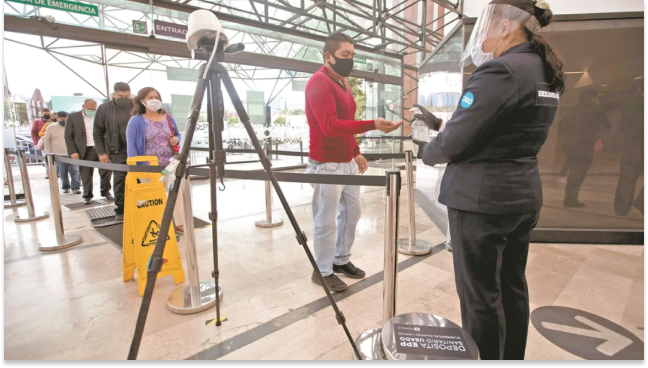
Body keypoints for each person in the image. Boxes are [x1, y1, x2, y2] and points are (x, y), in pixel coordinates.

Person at [414, 0, 565, 360]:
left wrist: (426, 149)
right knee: (512, 288)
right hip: (520, 195)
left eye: (490, 20)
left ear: (505, 26)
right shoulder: (543, 69)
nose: (484, 29)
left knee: (480, 296)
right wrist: (445, 126)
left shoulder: (501, 71)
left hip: (483, 202)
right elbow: (500, 129)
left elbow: (455, 142)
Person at [305, 32, 403, 293]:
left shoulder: (343, 83)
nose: (350, 60)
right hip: (326, 163)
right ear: (329, 56)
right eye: (344, 55)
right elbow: (329, 126)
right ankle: (323, 270)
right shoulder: (318, 83)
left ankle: (341, 259)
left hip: (346, 160)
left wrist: (356, 150)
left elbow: (346, 124)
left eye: (352, 55)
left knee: (352, 213)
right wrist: (372, 124)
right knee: (325, 220)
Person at [126, 87, 184, 233]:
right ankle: (156, 227)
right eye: (150, 97)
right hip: (148, 167)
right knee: (152, 199)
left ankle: (174, 225)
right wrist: (135, 168)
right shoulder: (136, 121)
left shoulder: (168, 118)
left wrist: (175, 140)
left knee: (173, 196)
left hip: (170, 165)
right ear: (142, 101)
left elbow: (178, 135)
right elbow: (131, 145)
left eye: (156, 97)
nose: (154, 100)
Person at [559, 89, 610, 207]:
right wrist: (596, 132)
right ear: (589, 98)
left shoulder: (571, 111)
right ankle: (571, 199)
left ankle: (569, 198)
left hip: (569, 145)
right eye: (595, 97)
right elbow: (608, 126)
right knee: (579, 173)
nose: (597, 100)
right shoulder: (596, 111)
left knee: (574, 171)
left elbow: (562, 127)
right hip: (585, 146)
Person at [94, 82, 133, 223]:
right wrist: (101, 152)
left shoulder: (136, 106)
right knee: (120, 179)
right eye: (121, 96)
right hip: (117, 151)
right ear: (114, 95)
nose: (124, 98)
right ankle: (121, 209)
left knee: (140, 179)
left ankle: (138, 207)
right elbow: (98, 131)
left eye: (127, 96)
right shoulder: (104, 109)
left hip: (137, 150)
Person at [64, 99, 114, 205]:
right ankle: (87, 195)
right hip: (85, 149)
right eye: (90, 109)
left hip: (101, 149)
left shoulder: (100, 116)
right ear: (83, 106)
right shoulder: (73, 117)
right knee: (86, 174)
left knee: (106, 172)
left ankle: (106, 191)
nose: (92, 111)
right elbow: (68, 136)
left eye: (94, 109)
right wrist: (73, 151)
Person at [614, 81, 643, 216]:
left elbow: (623, 126)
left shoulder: (630, 104)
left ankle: (621, 208)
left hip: (631, 147)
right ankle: (641, 201)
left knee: (627, 178)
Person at [44, 112, 81, 194]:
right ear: (57, 118)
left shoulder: (73, 126)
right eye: (62, 120)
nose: (64, 121)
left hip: (72, 153)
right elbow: (47, 141)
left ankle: (75, 187)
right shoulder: (51, 127)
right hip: (58, 154)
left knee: (75, 171)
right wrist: (48, 153)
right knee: (62, 172)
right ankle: (65, 186)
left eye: (65, 120)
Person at [32, 108, 53, 179]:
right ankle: (48, 172)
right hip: (44, 143)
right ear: (42, 114)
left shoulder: (53, 121)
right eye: (45, 113)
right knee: (47, 158)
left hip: (54, 142)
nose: (47, 114)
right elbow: (33, 132)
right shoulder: (37, 122)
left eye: (48, 112)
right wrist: (35, 142)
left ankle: (56, 172)